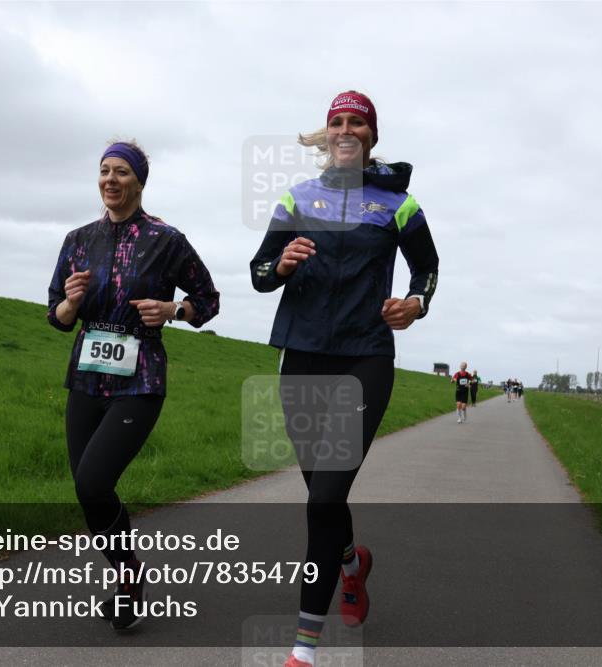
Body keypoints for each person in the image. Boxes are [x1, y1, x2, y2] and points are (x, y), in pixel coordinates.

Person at [250, 90, 439, 667]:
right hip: (303, 356)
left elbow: (427, 268)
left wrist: (415, 304)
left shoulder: (398, 204)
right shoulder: (297, 197)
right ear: (327, 133)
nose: (347, 129)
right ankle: (352, 564)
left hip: (365, 359)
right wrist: (282, 264)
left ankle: (303, 648)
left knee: (325, 498)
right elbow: (259, 273)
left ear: (371, 136)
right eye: (338, 121)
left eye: (358, 122)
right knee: (322, 496)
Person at [46, 140, 219, 631]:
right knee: (87, 493)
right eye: (104, 170)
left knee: (93, 481)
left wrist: (172, 309)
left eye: (121, 171)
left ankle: (127, 576)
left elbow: (208, 300)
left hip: (140, 378)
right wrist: (70, 303)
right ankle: (127, 575)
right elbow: (56, 315)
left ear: (139, 182)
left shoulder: (166, 240)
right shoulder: (78, 239)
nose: (111, 179)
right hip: (85, 377)